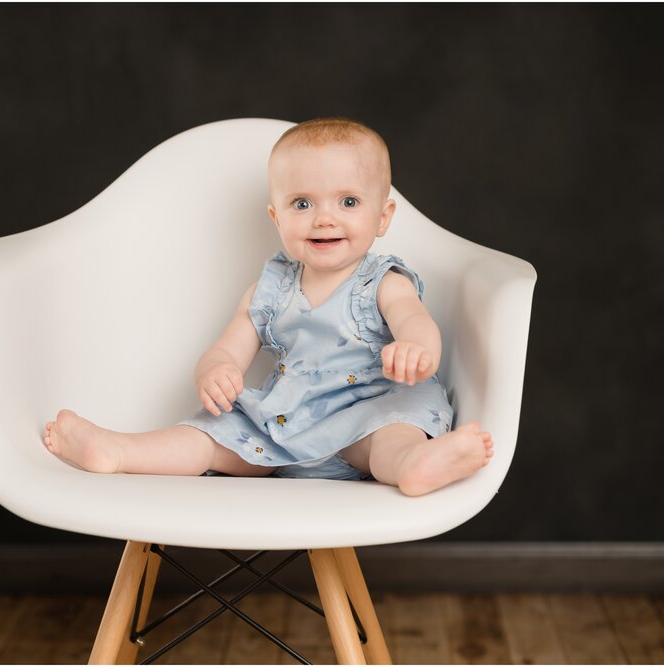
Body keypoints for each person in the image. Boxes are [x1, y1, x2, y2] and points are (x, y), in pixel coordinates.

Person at [42, 117, 493, 496]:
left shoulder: (382, 281)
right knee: (210, 438)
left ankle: (416, 465)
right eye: (302, 203)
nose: (324, 217)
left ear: (382, 217)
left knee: (390, 441)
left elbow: (415, 320)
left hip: (372, 408)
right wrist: (214, 373)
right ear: (276, 216)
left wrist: (416, 347)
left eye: (348, 201)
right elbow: (226, 350)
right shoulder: (271, 288)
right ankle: (119, 450)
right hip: (289, 419)